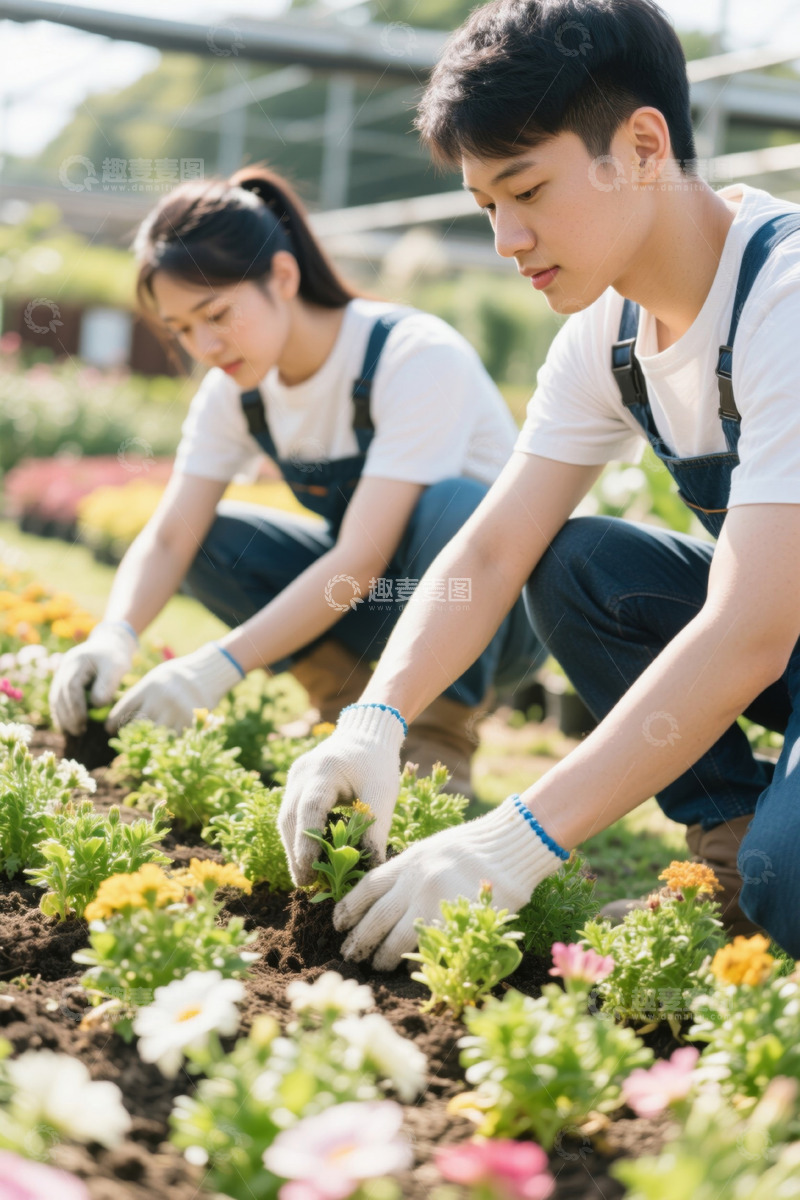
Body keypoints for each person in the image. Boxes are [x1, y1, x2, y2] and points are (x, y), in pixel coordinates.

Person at [279, 0, 800, 971]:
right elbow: (487, 551)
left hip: (776, 627)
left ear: (642, 145)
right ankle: (727, 855)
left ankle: (768, 865)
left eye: (525, 190)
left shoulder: (783, 300)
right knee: (572, 564)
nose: (505, 239)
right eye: (485, 205)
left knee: (796, 887)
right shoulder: (603, 340)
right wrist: (374, 720)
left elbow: (749, 630)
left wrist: (515, 840)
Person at [48, 164, 543, 794]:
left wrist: (216, 668)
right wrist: (113, 637)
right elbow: (170, 536)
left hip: (494, 620)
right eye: (181, 329)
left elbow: (361, 559)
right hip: (379, 601)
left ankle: (437, 738)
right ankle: (344, 705)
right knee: (206, 539)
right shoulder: (236, 392)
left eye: (216, 313)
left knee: (454, 505)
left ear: (283, 276)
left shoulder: (412, 356)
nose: (204, 345)